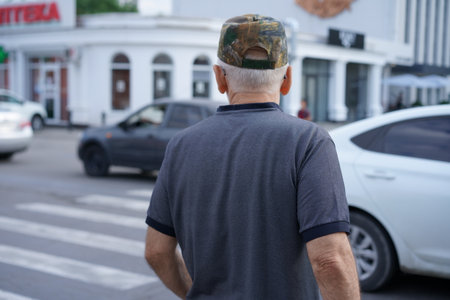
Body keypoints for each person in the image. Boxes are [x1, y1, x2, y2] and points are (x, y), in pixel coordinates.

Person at [144, 14, 360, 300]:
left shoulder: (180, 145)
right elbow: (330, 260)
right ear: (288, 80)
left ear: (220, 78)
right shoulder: (308, 142)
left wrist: (191, 292)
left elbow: (156, 251)